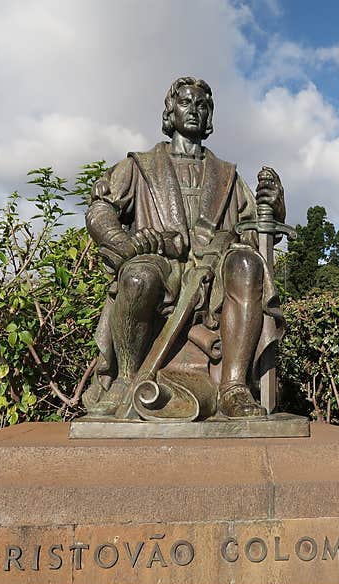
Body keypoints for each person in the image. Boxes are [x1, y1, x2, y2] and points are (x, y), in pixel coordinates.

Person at [82, 76, 285, 420]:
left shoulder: (228, 175)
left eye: (202, 105)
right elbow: (100, 209)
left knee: (247, 266)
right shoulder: (138, 166)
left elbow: (255, 231)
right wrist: (124, 242)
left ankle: (233, 388)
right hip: (163, 265)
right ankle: (126, 379)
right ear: (170, 112)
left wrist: (274, 208)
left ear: (209, 117)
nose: (194, 110)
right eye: (186, 102)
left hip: (214, 271)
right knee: (136, 278)